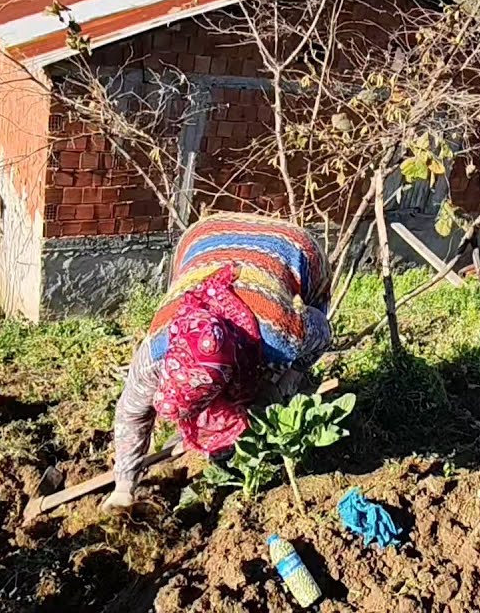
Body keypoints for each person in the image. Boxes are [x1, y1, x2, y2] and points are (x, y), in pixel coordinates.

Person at [102, 213, 332, 511]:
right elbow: (132, 413)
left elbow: (322, 330)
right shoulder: (156, 354)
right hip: (201, 238)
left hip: (293, 247)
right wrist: (124, 486)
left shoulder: (282, 336)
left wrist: (288, 379)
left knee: (284, 381)